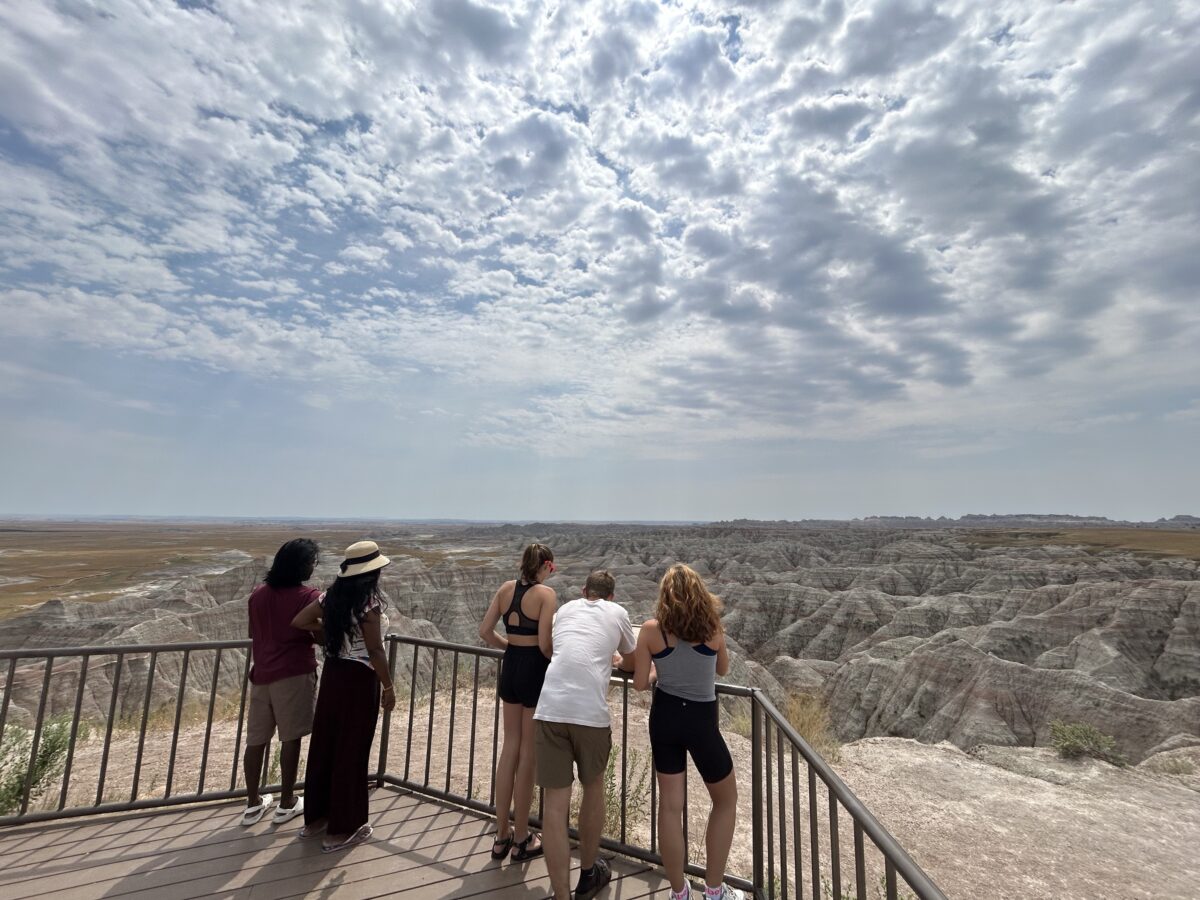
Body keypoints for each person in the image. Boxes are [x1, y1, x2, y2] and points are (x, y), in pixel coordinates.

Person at [632, 564, 743, 900]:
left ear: (665, 596)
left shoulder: (652, 631)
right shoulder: (713, 630)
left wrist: (655, 670)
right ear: (700, 594)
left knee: (670, 807)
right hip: (701, 722)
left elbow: (638, 684)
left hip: (664, 718)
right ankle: (713, 890)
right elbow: (722, 668)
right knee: (725, 801)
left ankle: (679, 892)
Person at [535, 570, 636, 900]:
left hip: (549, 708)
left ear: (583, 591)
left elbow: (552, 648)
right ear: (611, 597)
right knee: (593, 789)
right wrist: (617, 659)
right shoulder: (617, 613)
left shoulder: (565, 609)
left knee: (553, 807)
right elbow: (633, 661)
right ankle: (589, 874)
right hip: (590, 715)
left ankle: (562, 896)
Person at [290, 540, 396, 852]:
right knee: (352, 749)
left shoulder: (330, 596)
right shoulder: (369, 602)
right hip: (359, 679)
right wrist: (388, 688)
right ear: (372, 573)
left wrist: (330, 635)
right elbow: (375, 650)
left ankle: (317, 818)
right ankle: (344, 827)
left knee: (327, 744)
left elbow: (299, 621)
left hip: (333, 674)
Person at [478, 542, 558, 862]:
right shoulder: (546, 596)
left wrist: (509, 648)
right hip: (534, 671)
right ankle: (522, 836)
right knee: (528, 752)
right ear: (545, 566)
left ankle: (500, 837)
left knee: (509, 746)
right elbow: (545, 645)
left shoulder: (505, 589)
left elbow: (485, 631)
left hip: (510, 668)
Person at [241, 538, 322, 826]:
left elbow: (254, 632)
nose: (314, 567)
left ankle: (252, 803)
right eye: (312, 562)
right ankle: (286, 801)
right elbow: (319, 635)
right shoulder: (308, 596)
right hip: (293, 674)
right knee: (291, 738)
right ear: (300, 565)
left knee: (256, 740)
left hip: (261, 674)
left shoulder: (258, 595)